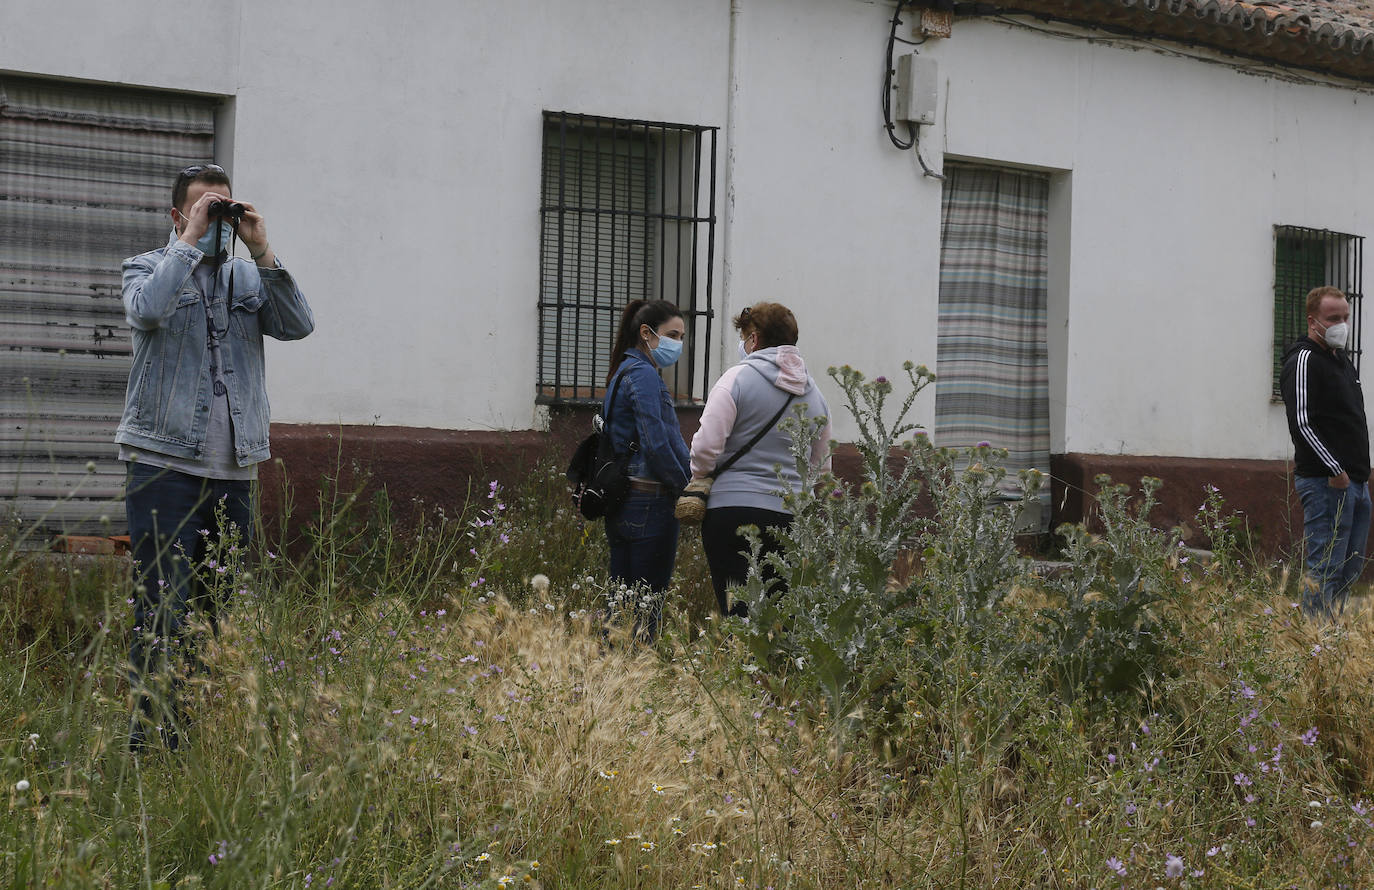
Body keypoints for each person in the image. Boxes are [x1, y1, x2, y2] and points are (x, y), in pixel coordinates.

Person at [118, 163, 314, 750]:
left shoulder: (247, 278)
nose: (215, 218)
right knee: (162, 605)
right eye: (205, 207)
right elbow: (147, 311)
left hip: (234, 471)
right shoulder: (148, 266)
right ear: (178, 214)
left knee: (212, 609)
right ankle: (150, 742)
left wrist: (260, 247)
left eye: (222, 207)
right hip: (163, 464)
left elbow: (299, 325)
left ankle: (191, 731)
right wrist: (188, 243)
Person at [689, 302, 831, 617]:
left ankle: (741, 663)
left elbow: (704, 449)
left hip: (731, 511)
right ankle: (777, 666)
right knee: (779, 616)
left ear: (753, 339)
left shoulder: (735, 379)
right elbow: (822, 467)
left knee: (737, 611)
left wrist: (702, 475)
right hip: (789, 517)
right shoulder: (815, 395)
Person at [1280, 285, 1371, 621]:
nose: (1341, 324)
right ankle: (1312, 641)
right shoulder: (1303, 359)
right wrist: (1336, 470)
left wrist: (1358, 474)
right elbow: (1302, 423)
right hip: (1327, 484)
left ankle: (1331, 637)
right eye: (1333, 318)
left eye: (1345, 317)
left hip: (1356, 483)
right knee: (1325, 569)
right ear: (1312, 321)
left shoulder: (1342, 362)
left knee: (1349, 569)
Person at [602, 299, 692, 640]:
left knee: (621, 607)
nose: (678, 344)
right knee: (645, 612)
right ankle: (636, 680)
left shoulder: (623, 371)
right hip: (649, 505)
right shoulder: (642, 375)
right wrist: (687, 490)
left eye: (682, 336)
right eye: (672, 334)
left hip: (625, 503)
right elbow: (656, 445)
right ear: (647, 333)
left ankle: (609, 681)